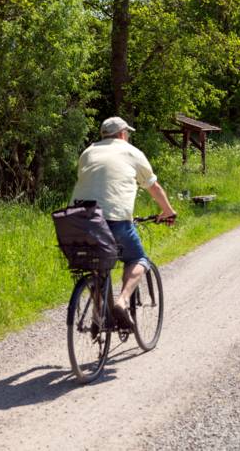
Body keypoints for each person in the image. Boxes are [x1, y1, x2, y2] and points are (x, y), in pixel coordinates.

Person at [70, 116, 177, 329]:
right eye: (127, 133)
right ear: (122, 134)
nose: (127, 136)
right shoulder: (132, 152)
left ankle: (99, 314)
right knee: (138, 258)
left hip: (77, 219)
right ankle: (122, 301)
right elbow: (153, 188)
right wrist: (168, 211)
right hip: (114, 219)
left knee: (96, 265)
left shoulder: (88, 152)